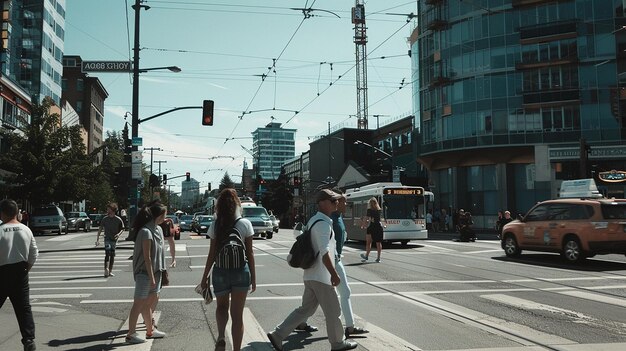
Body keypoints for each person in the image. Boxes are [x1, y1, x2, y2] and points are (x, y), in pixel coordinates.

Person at [267, 189, 358, 351]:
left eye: (337, 201)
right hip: (321, 277)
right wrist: (334, 274)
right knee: (333, 311)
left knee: (305, 310)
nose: (337, 203)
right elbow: (324, 252)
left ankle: (277, 335)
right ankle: (337, 343)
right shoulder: (323, 225)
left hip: (311, 275)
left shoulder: (315, 221)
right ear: (322, 203)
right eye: (333, 201)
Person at [200, 188, 256, 351]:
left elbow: (212, 254)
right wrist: (253, 277)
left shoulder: (216, 225)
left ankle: (221, 336)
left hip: (220, 271)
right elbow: (250, 253)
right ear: (237, 204)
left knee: (221, 307)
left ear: (219, 206)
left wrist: (204, 278)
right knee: (237, 316)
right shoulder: (245, 224)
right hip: (241, 271)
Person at [125, 202, 167, 344]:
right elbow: (147, 257)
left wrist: (162, 272)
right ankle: (131, 333)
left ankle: (150, 331)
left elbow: (160, 254)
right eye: (163, 214)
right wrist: (151, 277)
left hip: (156, 272)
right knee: (139, 304)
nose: (165, 217)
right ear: (158, 215)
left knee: (147, 305)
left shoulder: (158, 230)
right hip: (145, 273)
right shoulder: (146, 231)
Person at [1, 200, 38, 351]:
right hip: (20, 272)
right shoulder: (26, 230)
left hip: (1, 273)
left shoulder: (0, 230)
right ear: (17, 212)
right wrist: (25, 270)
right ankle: (29, 340)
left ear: (2, 213)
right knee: (24, 308)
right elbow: (34, 254)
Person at [95, 203, 125, 277]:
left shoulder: (118, 219)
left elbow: (122, 228)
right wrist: (98, 239)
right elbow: (100, 229)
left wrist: (118, 234)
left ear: (113, 210)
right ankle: (106, 269)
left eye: (109, 209)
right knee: (107, 253)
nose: (107, 210)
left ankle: (110, 270)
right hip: (107, 239)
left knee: (112, 255)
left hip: (114, 239)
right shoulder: (105, 219)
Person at [360, 197, 383, 263]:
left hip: (371, 226)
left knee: (368, 242)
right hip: (378, 226)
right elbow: (380, 219)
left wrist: (363, 225)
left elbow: (366, 219)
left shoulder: (369, 210)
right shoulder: (379, 210)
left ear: (370, 203)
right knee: (378, 243)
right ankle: (378, 258)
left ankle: (366, 255)